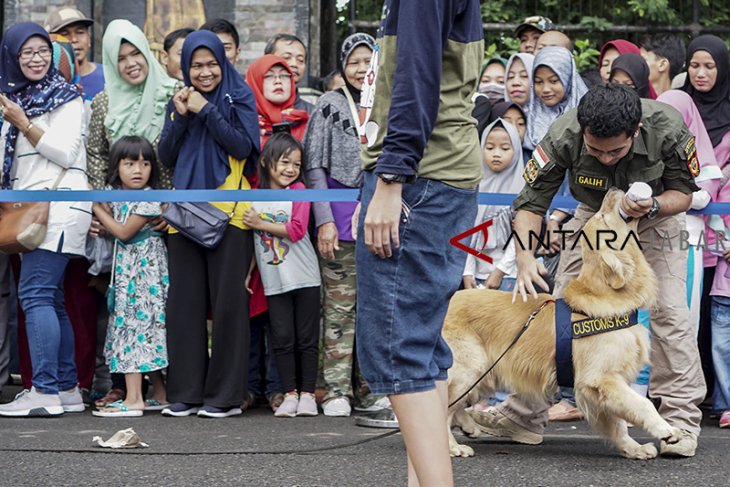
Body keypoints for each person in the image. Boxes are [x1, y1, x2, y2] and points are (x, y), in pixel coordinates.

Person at [471, 84, 706, 458]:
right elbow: (532, 201)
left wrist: (654, 207)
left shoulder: (668, 127)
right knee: (558, 319)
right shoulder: (564, 133)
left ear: (637, 130)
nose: (606, 159)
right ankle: (522, 417)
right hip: (593, 220)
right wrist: (525, 256)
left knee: (671, 316)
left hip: (657, 219)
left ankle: (678, 424)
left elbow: (685, 192)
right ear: (582, 131)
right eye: (596, 150)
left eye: (616, 150)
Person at [355, 0, 483, 484]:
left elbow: (416, 74)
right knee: (421, 349)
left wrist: (391, 176)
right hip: (440, 173)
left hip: (418, 176)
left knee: (395, 346)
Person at [158, 30, 260, 418]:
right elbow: (165, 155)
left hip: (229, 214)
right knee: (184, 305)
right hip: (184, 214)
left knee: (228, 305)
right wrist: (181, 116)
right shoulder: (180, 100)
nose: (204, 71)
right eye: (196, 65)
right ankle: (185, 393)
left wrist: (206, 110)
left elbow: (244, 146)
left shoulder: (240, 95)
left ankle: (225, 398)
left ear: (223, 62)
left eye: (211, 63)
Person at [0, 23, 91, 417]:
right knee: (50, 299)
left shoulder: (66, 96)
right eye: (26, 52)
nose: (36, 59)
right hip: (34, 208)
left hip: (58, 204)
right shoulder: (13, 98)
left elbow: (66, 153)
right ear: (13, 57)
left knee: (35, 295)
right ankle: (67, 388)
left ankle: (45, 391)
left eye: (42, 51)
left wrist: (23, 123)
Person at [303, 33, 385, 417]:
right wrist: (323, 221)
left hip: (379, 213)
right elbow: (315, 165)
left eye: (369, 61)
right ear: (342, 65)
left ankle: (371, 389)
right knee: (339, 307)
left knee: (375, 307)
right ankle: (336, 388)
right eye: (354, 61)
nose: (361, 69)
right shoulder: (329, 105)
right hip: (338, 212)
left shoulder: (386, 102)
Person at [243, 133, 321, 418]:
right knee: (282, 338)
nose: (291, 169)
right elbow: (255, 241)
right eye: (285, 162)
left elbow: (297, 229)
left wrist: (260, 222)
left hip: (305, 277)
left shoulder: (300, 190)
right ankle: (290, 394)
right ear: (266, 162)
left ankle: (308, 394)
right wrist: (249, 272)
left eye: (296, 164)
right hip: (274, 280)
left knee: (307, 339)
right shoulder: (255, 196)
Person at [90, 136, 169, 417]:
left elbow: (124, 232)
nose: (138, 169)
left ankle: (135, 398)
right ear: (117, 166)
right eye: (130, 163)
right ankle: (160, 394)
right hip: (131, 274)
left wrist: (96, 206)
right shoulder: (121, 195)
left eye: (145, 163)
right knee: (143, 331)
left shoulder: (148, 197)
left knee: (134, 330)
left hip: (142, 277)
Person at [463, 118, 524, 292]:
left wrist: (500, 271)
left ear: (517, 151)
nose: (496, 154)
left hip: (510, 274)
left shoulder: (523, 189)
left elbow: (522, 235)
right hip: (475, 274)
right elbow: (466, 231)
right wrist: (467, 272)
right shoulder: (473, 185)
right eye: (489, 148)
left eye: (505, 148)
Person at [525, 46, 588, 151]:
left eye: (553, 81)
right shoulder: (527, 116)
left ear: (568, 80)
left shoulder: (586, 114)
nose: (545, 89)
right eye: (539, 82)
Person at [682, 35, 730, 167]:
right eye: (694, 65)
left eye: (709, 66)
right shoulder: (678, 103)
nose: (700, 73)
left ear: (722, 68)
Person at [246, 54, 310, 146]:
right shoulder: (243, 123)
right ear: (256, 83)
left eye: (284, 75)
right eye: (269, 76)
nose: (278, 81)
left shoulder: (308, 122)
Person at [44, 6, 104, 102]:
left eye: (80, 32)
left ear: (89, 38)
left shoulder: (107, 76)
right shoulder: (44, 85)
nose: (74, 39)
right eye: (64, 34)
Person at [264, 33, 315, 113]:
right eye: (286, 58)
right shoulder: (250, 110)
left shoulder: (312, 113)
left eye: (300, 60)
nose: (294, 64)